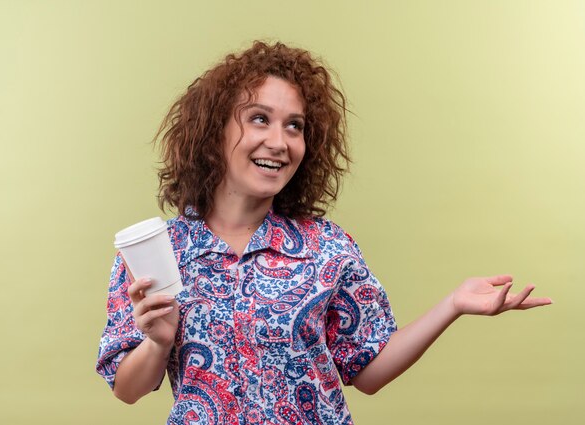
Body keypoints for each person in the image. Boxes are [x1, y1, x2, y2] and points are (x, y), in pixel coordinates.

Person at [96, 41, 552, 424]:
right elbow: (128, 390)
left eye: (294, 126)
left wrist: (452, 306)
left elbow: (368, 372)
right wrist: (158, 341)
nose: (280, 141)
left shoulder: (328, 247)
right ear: (214, 130)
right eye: (259, 118)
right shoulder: (158, 252)